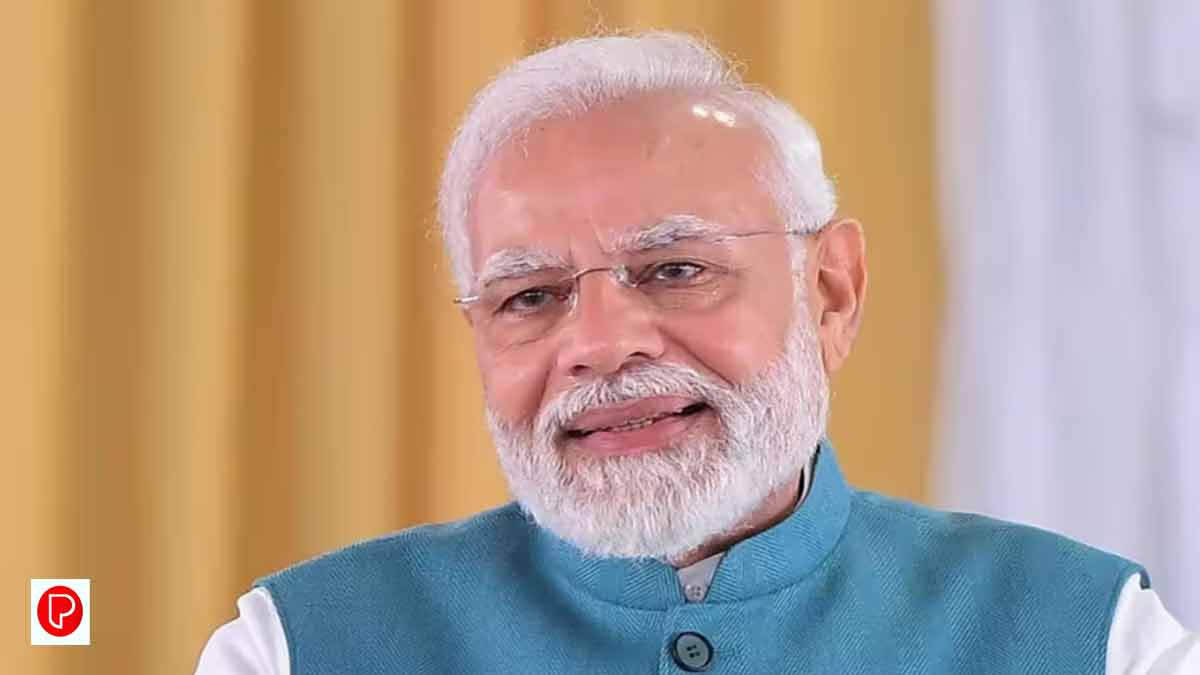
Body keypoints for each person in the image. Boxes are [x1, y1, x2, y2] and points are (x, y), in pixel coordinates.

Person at [196, 32, 1197, 674]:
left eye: (675, 269)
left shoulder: (1097, 639)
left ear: (831, 292)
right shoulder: (295, 647)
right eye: (530, 295)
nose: (598, 345)